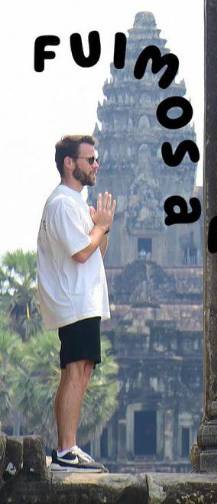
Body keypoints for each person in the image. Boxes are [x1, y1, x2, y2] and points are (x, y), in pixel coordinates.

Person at [36, 135, 116, 472]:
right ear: (70, 163)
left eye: (95, 160)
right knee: (74, 370)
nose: (96, 165)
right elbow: (82, 252)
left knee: (82, 369)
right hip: (73, 300)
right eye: (89, 159)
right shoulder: (62, 204)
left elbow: (97, 251)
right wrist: (100, 227)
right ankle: (65, 449)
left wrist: (102, 228)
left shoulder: (76, 205)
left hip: (85, 300)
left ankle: (69, 446)